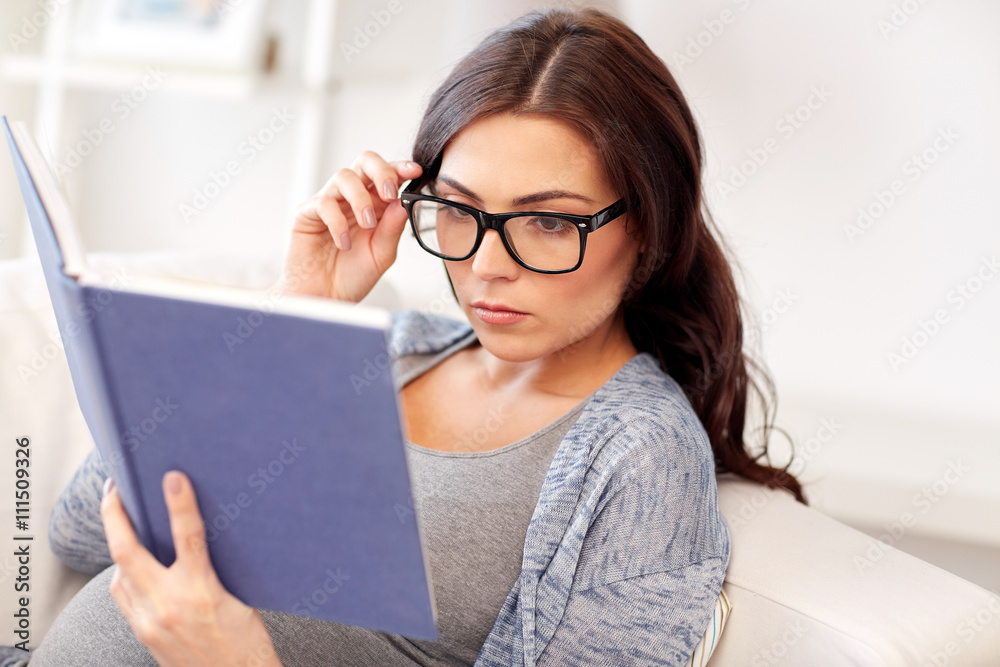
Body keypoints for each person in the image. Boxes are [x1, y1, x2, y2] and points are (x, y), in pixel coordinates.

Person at [21, 7, 806, 666]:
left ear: (649, 227)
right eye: (459, 209)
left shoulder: (640, 457)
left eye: (546, 220)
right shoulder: (392, 345)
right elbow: (85, 527)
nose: (488, 266)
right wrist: (298, 310)